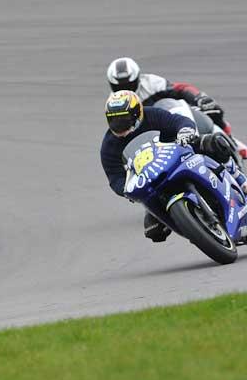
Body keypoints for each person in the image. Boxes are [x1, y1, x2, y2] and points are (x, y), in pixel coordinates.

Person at [100, 90, 247, 243]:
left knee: (215, 143)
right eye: (114, 120)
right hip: (152, 180)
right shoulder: (109, 145)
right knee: (153, 231)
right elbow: (114, 176)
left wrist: (184, 131)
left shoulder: (152, 115)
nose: (119, 125)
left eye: (123, 119)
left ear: (137, 113)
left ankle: (241, 180)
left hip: (179, 153)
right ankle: (199, 231)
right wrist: (126, 190)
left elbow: (177, 121)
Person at [105, 58, 246, 159]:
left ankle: (232, 141)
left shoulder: (151, 83)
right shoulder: (115, 104)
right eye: (119, 87)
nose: (124, 90)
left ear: (137, 79)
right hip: (151, 137)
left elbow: (180, 89)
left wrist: (198, 98)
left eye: (128, 85)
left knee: (212, 110)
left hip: (174, 116)